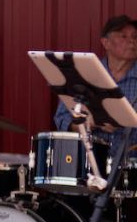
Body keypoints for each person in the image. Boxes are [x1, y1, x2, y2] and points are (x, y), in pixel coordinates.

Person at [54, 14, 137, 155]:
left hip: (130, 166)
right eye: (123, 36)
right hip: (89, 164)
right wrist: (90, 123)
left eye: (135, 36)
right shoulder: (84, 74)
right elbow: (62, 119)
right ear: (106, 43)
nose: (132, 41)